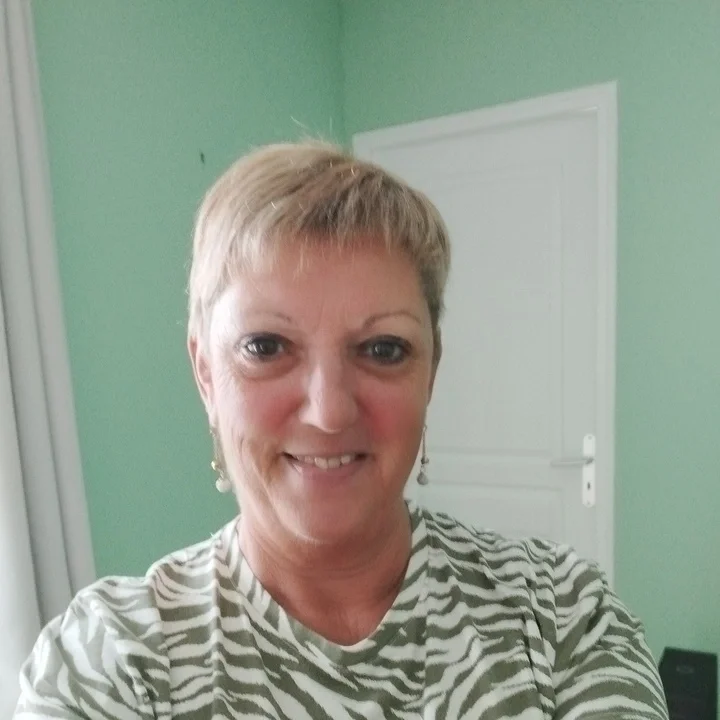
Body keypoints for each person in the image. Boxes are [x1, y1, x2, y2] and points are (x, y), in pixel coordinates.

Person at [15, 142, 668, 720]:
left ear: (431, 372)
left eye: (383, 349)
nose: (329, 412)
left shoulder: (560, 620)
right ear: (206, 374)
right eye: (266, 347)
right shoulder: (113, 659)